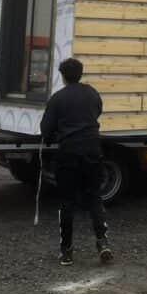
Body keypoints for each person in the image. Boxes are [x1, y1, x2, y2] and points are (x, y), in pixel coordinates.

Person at [40, 57, 114, 266]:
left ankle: (67, 252)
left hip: (68, 153)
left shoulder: (58, 98)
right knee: (94, 198)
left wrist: (57, 133)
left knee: (67, 202)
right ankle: (103, 243)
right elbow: (98, 111)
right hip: (92, 150)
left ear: (62, 76)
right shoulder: (92, 93)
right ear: (81, 74)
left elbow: (45, 129)